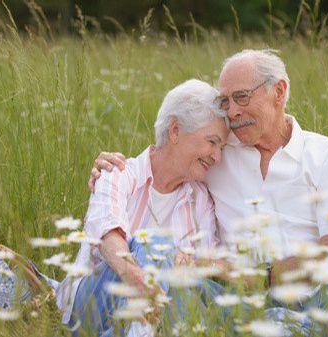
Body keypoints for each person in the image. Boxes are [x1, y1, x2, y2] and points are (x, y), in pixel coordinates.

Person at [88, 50, 328, 336]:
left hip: (320, 296)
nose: (233, 112)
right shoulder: (219, 154)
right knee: (170, 272)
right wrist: (112, 167)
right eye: (226, 102)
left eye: (241, 97)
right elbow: (171, 156)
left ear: (279, 92)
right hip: (238, 300)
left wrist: (264, 276)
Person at [55, 79, 230, 336]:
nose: (217, 157)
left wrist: (189, 263)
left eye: (222, 147)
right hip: (94, 304)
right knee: (155, 244)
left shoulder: (200, 199)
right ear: (175, 131)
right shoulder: (116, 173)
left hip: (161, 313)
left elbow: (207, 269)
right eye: (212, 142)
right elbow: (107, 233)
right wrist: (137, 276)